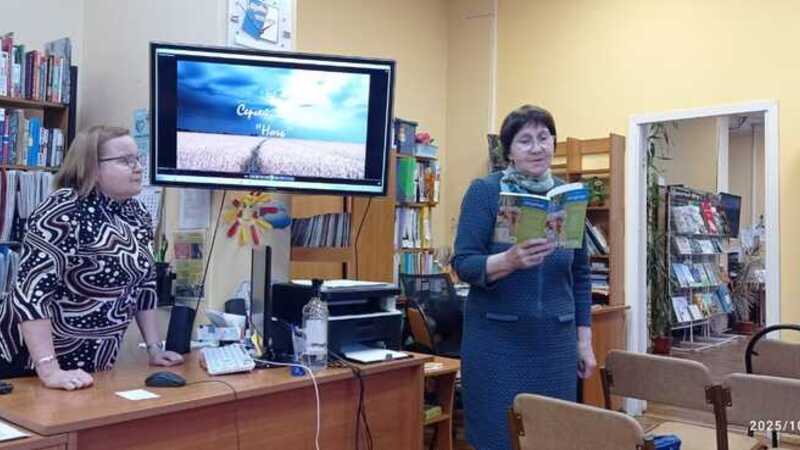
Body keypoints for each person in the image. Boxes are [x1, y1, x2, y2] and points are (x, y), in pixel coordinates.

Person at [452, 105, 597, 450]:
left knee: (552, 438)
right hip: (498, 346)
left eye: (544, 138)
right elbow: (464, 263)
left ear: (553, 143)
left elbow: (580, 274)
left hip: (556, 346)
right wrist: (508, 260)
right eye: (525, 140)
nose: (537, 148)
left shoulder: (567, 196)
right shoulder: (485, 191)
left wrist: (584, 342)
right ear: (509, 151)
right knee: (499, 437)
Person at [0, 126, 183, 390]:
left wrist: (155, 348)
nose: (138, 168)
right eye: (125, 161)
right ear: (92, 168)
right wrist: (49, 370)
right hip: (28, 364)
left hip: (94, 363)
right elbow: (31, 295)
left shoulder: (137, 213)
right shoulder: (62, 209)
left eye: (137, 159)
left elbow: (144, 287)